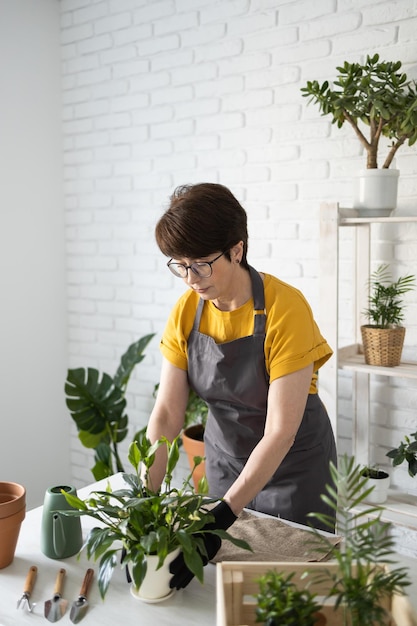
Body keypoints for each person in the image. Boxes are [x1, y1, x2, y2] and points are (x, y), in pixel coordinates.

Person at [146, 182, 337, 590]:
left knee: (293, 588)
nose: (189, 278)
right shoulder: (186, 311)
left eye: (200, 263)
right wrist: (147, 495)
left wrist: (225, 513)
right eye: (179, 264)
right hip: (226, 461)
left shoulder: (286, 308)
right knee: (229, 585)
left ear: (237, 249)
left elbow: (280, 430)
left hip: (294, 468)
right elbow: (166, 414)